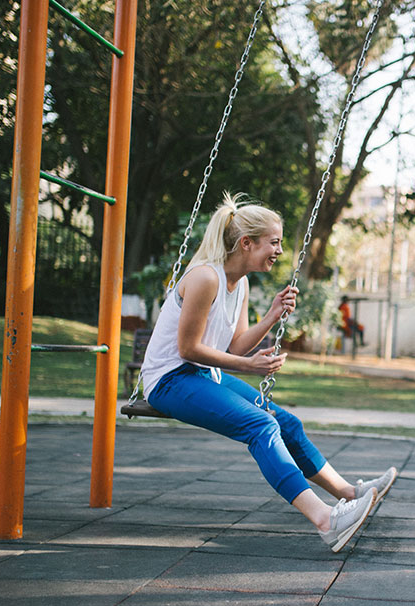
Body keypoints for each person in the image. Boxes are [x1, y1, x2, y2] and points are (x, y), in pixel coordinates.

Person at [140, 193, 397, 553]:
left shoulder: (240, 283)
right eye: (273, 242)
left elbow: (236, 346)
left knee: (286, 422)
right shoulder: (204, 278)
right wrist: (248, 367)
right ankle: (325, 520)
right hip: (170, 380)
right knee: (261, 426)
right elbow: (188, 349)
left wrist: (272, 314)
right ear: (247, 243)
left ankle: (350, 493)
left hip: (201, 376)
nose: (278, 250)